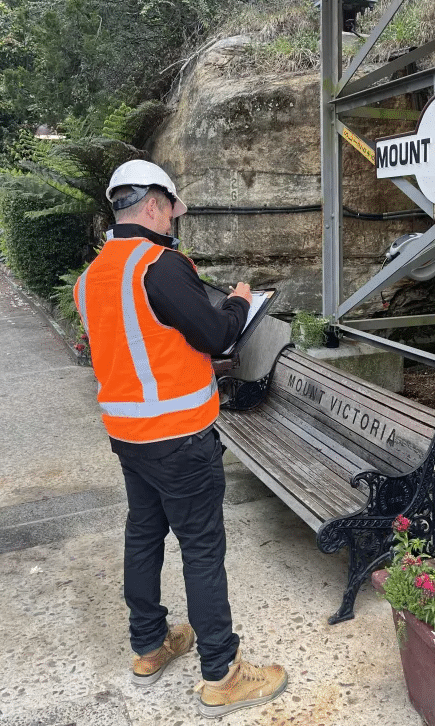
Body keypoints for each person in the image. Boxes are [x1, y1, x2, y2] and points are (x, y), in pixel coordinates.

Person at [73, 159, 287, 718]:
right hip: (180, 437)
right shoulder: (160, 265)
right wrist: (240, 299)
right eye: (171, 210)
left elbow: (138, 341)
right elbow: (218, 335)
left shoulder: (91, 276)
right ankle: (222, 673)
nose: (174, 221)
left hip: (128, 436)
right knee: (202, 549)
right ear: (153, 206)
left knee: (143, 535)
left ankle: (149, 645)